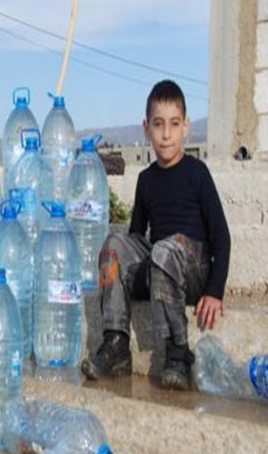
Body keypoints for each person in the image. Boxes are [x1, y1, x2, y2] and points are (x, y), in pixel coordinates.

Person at [80, 80, 231, 390]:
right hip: (160, 267)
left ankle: (178, 353)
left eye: (174, 124)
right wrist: (124, 275)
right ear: (146, 128)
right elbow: (136, 238)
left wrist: (215, 290)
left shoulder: (197, 173)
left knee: (165, 249)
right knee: (113, 246)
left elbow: (222, 237)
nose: (166, 134)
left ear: (186, 126)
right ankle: (116, 344)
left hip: (192, 270)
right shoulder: (146, 180)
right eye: (158, 124)